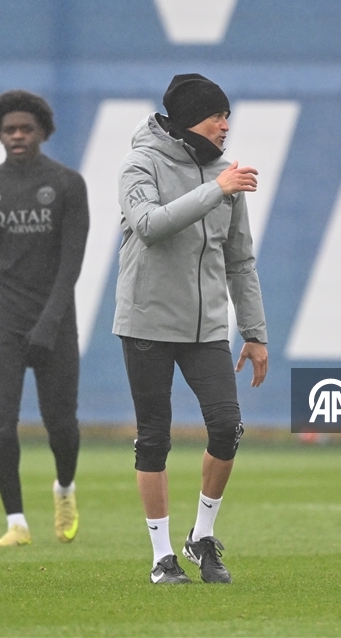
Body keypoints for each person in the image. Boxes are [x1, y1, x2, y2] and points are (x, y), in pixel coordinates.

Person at [114, 74, 268, 584]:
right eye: (216, 115)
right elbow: (150, 225)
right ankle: (161, 558)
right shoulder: (141, 163)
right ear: (188, 120)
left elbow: (240, 261)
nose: (226, 125)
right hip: (147, 322)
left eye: (227, 116)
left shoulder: (227, 176)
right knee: (154, 438)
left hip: (206, 331)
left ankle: (201, 535)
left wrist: (255, 332)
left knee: (227, 426)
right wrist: (213, 190)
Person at [0, 90, 89, 547]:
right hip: (2, 319)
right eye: (9, 129)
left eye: (25, 129)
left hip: (53, 320)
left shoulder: (68, 184)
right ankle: (17, 523)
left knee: (62, 426)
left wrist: (49, 323)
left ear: (42, 132)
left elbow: (72, 263)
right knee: (0, 420)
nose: (17, 136)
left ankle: (64, 489)